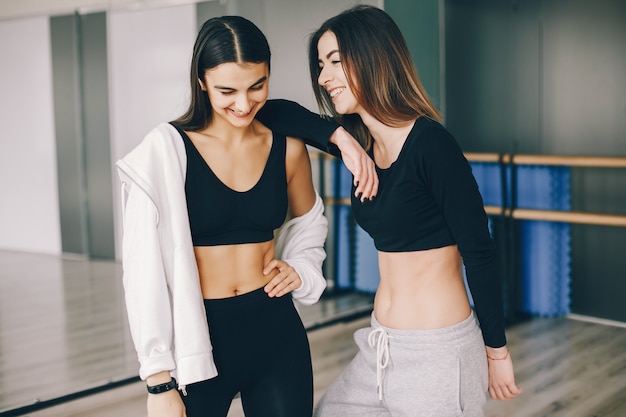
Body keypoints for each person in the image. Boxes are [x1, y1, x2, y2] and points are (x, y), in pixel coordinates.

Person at [258, 5, 522, 417]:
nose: (324, 77)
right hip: (380, 346)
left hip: (437, 352)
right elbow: (269, 111)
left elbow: (479, 251)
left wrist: (497, 351)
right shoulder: (359, 142)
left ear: (373, 58)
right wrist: (340, 140)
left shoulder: (432, 146)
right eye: (320, 65)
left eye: (336, 62)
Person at [116, 15, 376, 417]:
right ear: (201, 82)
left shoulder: (287, 147)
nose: (244, 104)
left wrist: (302, 267)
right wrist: (158, 380)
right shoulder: (164, 152)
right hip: (199, 340)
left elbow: (309, 222)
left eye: (258, 86)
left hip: (275, 331)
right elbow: (141, 270)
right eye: (227, 91)